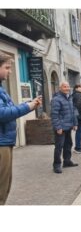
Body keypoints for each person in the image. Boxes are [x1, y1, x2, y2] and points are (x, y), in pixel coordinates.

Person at [0, 51, 42, 204]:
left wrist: (27, 104)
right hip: (1, 144)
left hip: (5, 142)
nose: (10, 71)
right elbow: (2, 113)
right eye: (7, 67)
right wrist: (28, 107)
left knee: (5, 186)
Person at [51, 82, 78, 174]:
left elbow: (73, 112)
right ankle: (56, 165)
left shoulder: (69, 97)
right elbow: (54, 115)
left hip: (68, 126)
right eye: (64, 87)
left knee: (68, 144)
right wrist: (58, 127)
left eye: (68, 86)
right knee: (59, 147)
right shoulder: (56, 99)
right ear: (60, 88)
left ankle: (67, 161)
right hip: (61, 128)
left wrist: (75, 124)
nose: (67, 88)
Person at [72, 84, 81, 153]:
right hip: (79, 116)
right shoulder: (78, 95)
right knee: (79, 132)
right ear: (76, 88)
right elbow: (79, 106)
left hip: (78, 116)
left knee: (79, 132)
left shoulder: (75, 94)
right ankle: (77, 148)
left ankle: (78, 146)